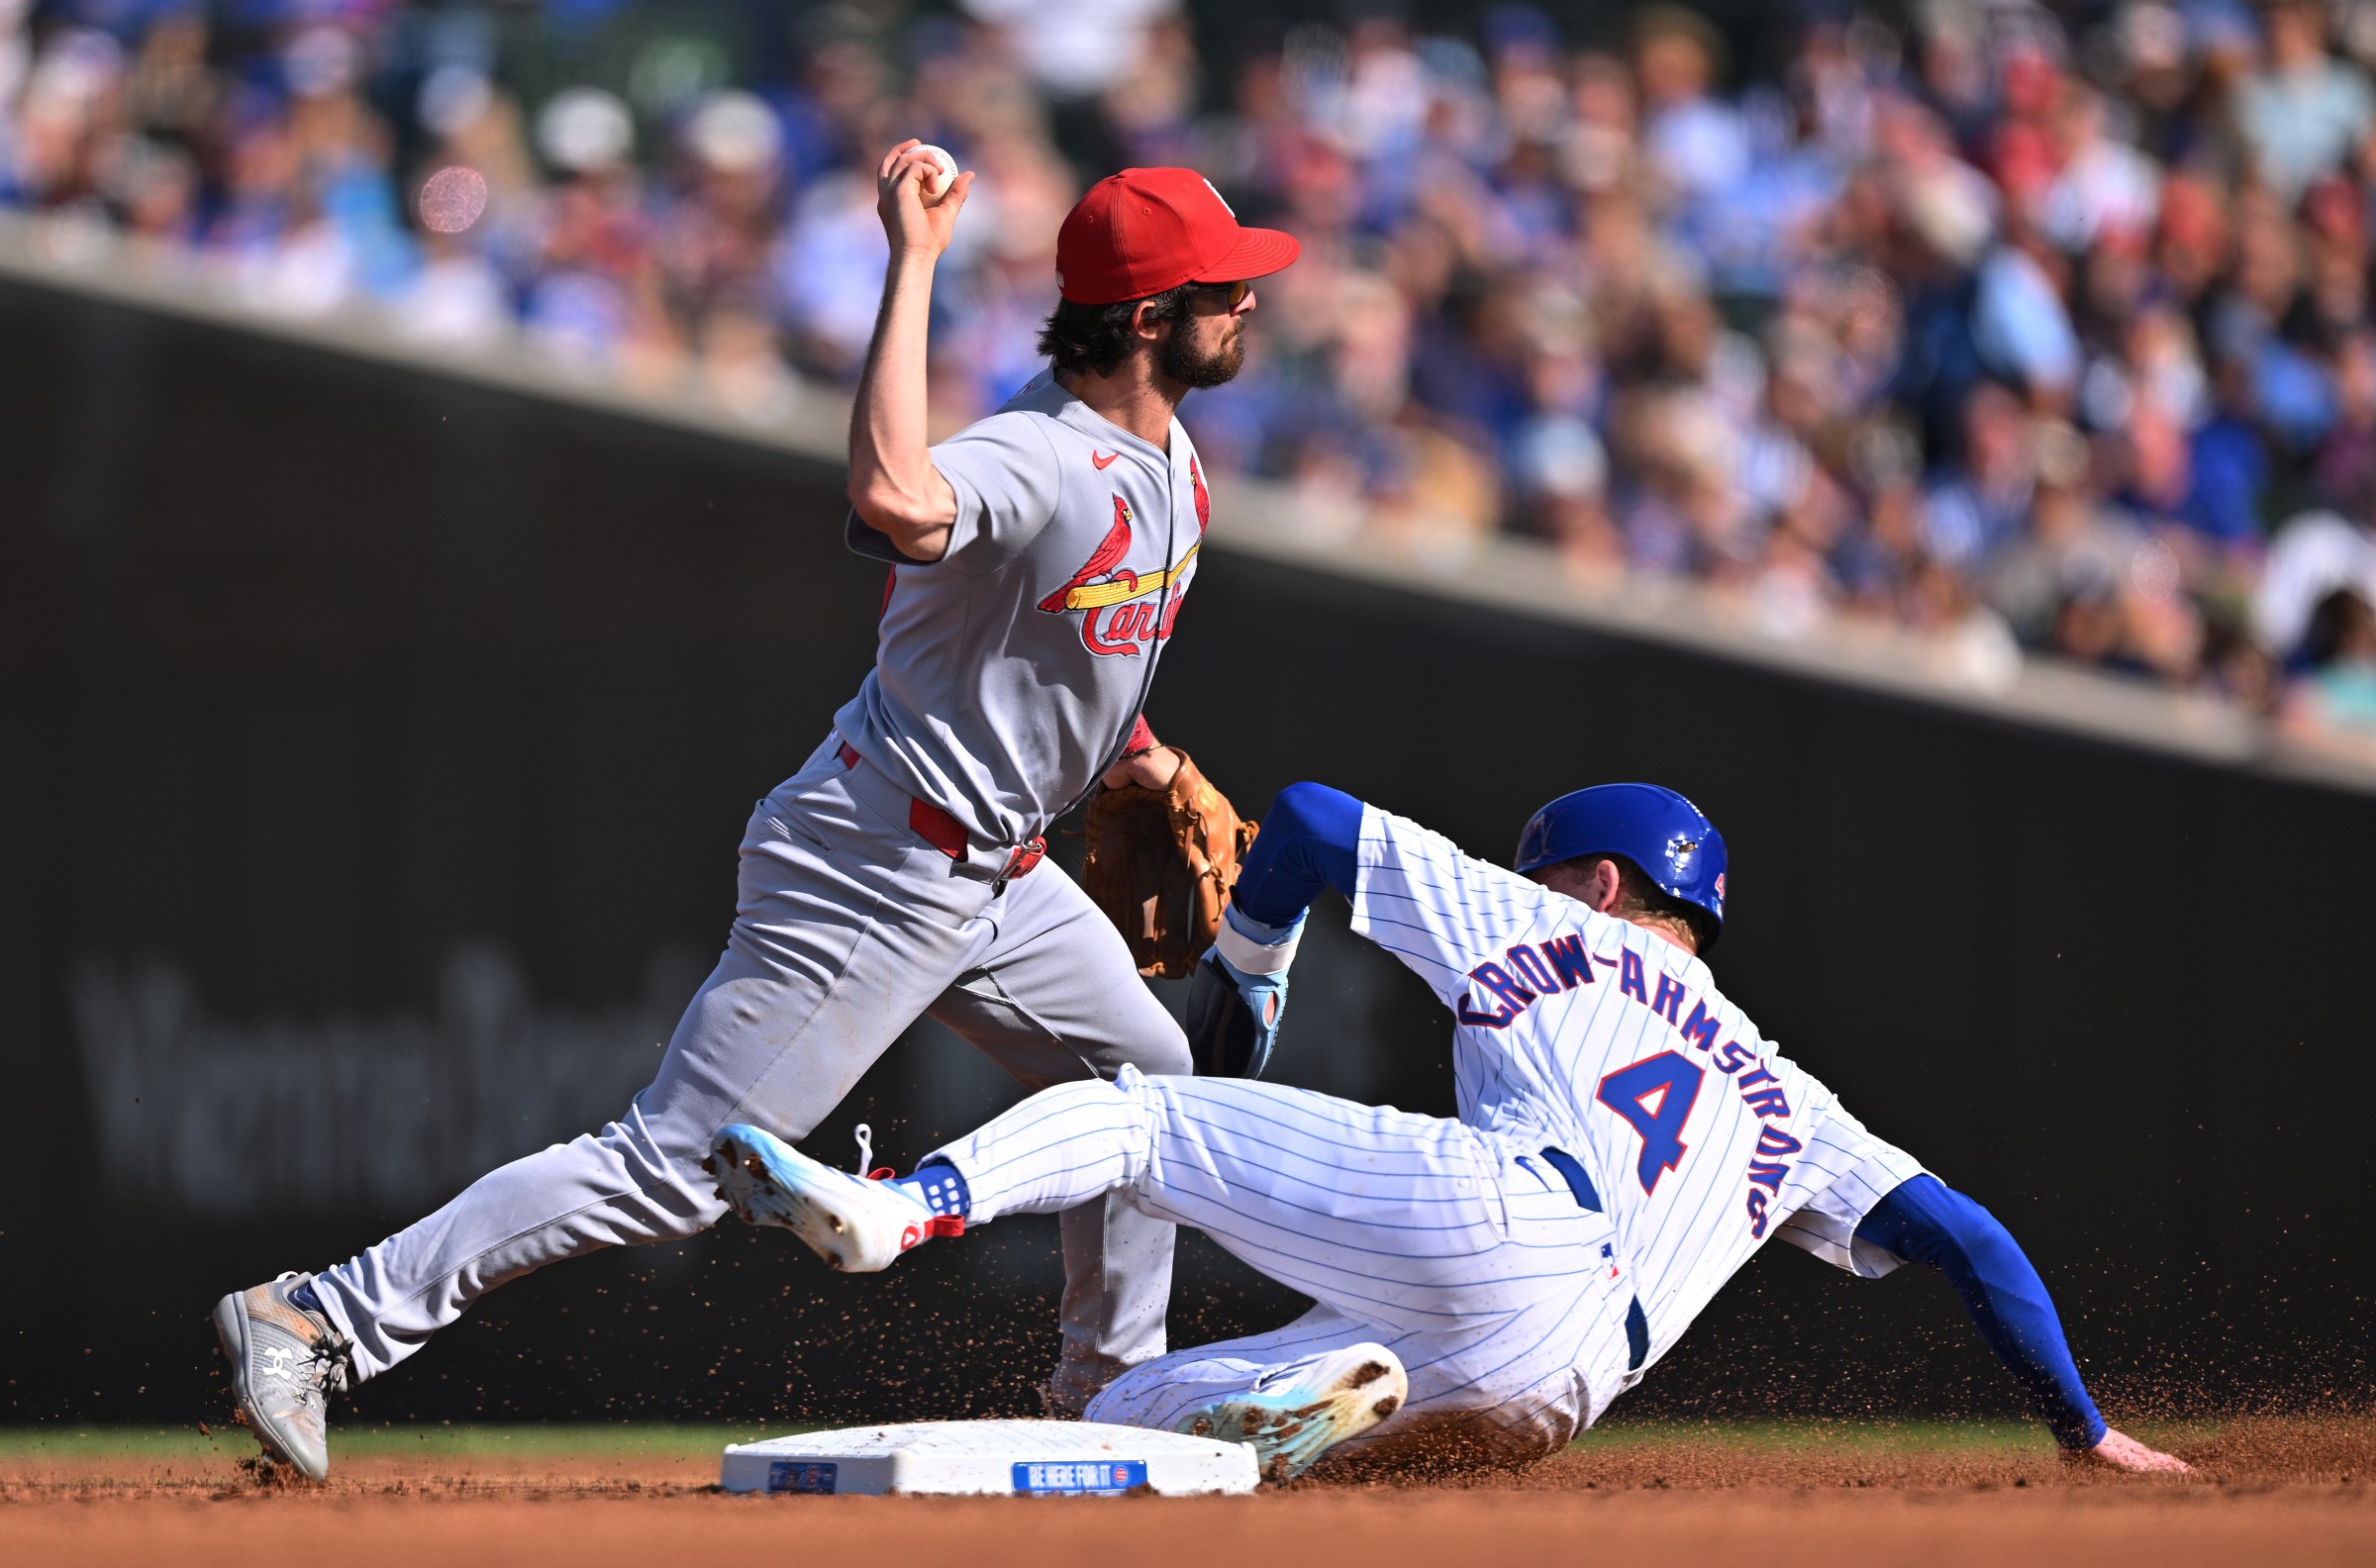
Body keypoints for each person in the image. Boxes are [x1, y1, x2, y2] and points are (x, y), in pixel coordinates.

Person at [211, 146, 1300, 1480]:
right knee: (673, 1169)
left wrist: (1132, 755)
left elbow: (1056, 646)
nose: (1247, 304)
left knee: (1150, 1096)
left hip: (998, 877)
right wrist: (913, 262)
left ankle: (1108, 1406)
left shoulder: (1173, 463)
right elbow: (895, 497)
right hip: (878, 866)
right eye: (1221, 288)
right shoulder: (1038, 456)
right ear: (1144, 319)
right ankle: (319, 1318)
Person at [708, 781, 2194, 1481]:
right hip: (1558, 1386)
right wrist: (2085, 1427)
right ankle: (1287, 1425)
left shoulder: (1553, 920)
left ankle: (897, 1210)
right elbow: (1972, 1242)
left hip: (1505, 1215)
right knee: (1123, 1431)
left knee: (1137, 1112)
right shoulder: (1787, 1098)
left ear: (1603, 886)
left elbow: (1301, 822)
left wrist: (1251, 973)